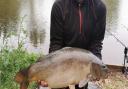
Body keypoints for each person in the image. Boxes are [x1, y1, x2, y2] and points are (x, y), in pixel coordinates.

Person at [39, 0, 106, 89]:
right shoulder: (59, 5)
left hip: (84, 63)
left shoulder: (99, 7)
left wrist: (97, 66)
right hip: (62, 62)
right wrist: (50, 69)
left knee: (82, 86)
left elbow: (96, 42)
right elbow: (56, 42)